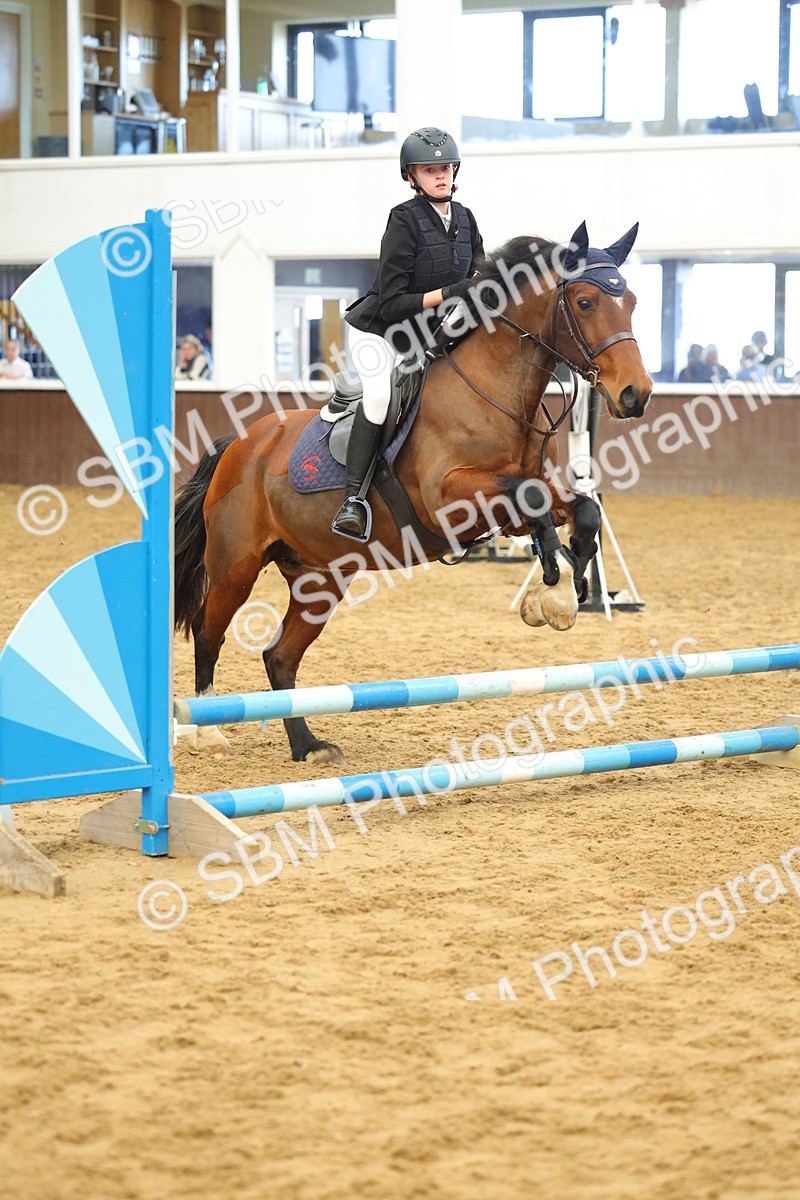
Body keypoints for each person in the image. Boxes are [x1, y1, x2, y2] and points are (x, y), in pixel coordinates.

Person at [330, 125, 485, 542]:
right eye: (429, 169)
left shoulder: (466, 219)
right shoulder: (403, 220)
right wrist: (449, 293)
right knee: (380, 396)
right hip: (380, 332)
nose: (441, 175)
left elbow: (481, 279)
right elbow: (391, 301)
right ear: (411, 176)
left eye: (446, 167)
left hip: (429, 336)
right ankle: (353, 502)